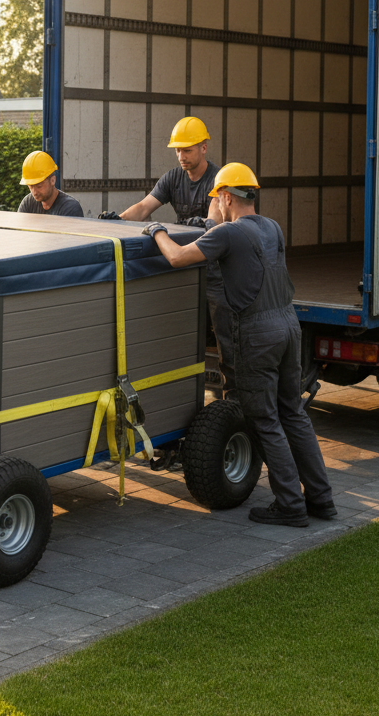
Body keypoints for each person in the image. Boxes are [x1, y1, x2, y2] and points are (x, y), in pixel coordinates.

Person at [139, 162, 336, 528]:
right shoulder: (272, 228)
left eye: (217, 198)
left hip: (258, 334)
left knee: (265, 419)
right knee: (293, 413)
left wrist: (157, 230)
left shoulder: (228, 235)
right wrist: (213, 223)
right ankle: (321, 499)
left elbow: (178, 257)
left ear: (226, 196)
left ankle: (291, 504)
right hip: (289, 326)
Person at [100, 117, 230, 393]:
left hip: (214, 271)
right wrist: (118, 221)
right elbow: (144, 207)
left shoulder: (217, 180)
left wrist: (205, 224)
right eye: (178, 150)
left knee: (224, 335)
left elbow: (215, 217)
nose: (181, 156)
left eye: (188, 150)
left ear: (204, 148)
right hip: (184, 264)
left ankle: (231, 393)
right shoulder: (172, 178)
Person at [17, 151, 84, 217]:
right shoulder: (28, 203)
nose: (34, 192)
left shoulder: (70, 207)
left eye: (39, 186)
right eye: (31, 186)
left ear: (52, 180)